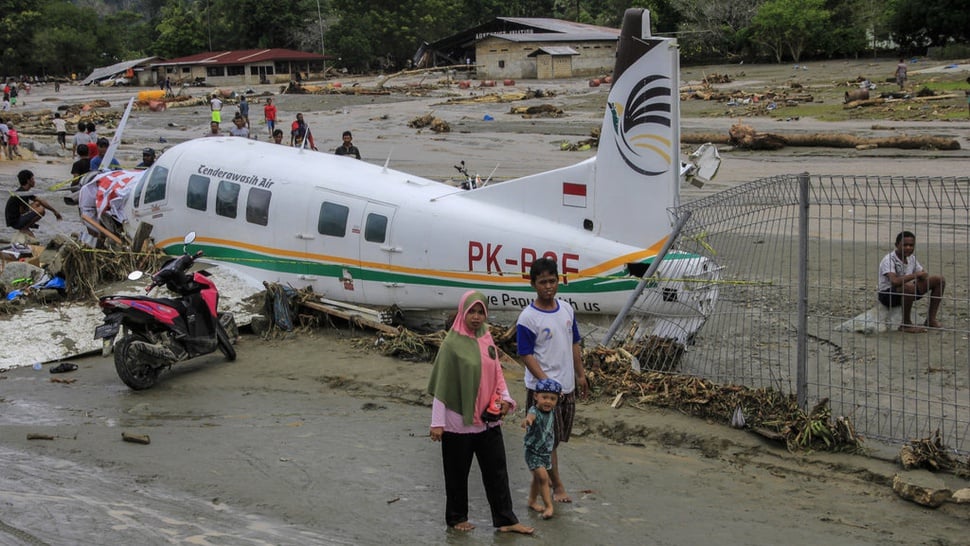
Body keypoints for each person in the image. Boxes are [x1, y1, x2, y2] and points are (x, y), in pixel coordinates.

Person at [427, 291, 533, 535]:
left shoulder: (487, 339)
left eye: (480, 312)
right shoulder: (452, 344)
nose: (476, 317)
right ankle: (456, 518)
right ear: (463, 312)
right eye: (471, 311)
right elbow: (442, 387)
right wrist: (437, 423)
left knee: (497, 472)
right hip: (457, 422)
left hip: (488, 421)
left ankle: (506, 519)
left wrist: (506, 399)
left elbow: (497, 374)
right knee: (456, 474)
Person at [516, 257, 589, 504]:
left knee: (556, 438)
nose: (548, 286)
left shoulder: (566, 309)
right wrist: (546, 383)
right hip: (543, 391)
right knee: (547, 441)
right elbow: (525, 354)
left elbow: (574, 343)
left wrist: (580, 375)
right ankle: (557, 487)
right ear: (533, 284)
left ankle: (539, 486)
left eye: (552, 281)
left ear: (559, 281)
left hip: (566, 387)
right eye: (542, 282)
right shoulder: (528, 317)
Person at [877, 230, 946, 333]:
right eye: (905, 245)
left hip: (907, 291)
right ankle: (906, 324)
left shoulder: (911, 258)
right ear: (897, 245)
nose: (908, 248)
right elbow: (894, 281)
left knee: (939, 280)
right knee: (908, 286)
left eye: (911, 245)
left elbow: (922, 273)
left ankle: (931, 320)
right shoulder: (889, 259)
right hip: (888, 295)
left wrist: (922, 277)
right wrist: (915, 275)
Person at [522, 378, 561, 520]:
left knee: (537, 479)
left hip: (546, 452)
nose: (548, 401)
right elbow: (530, 416)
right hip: (533, 451)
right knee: (544, 478)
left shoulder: (551, 411)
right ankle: (549, 506)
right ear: (535, 396)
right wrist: (528, 421)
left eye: (552, 399)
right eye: (544, 397)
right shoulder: (534, 410)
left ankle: (532, 501)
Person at [5, 169, 62, 238]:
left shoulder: (25, 191)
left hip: (17, 218)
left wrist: (54, 211)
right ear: (28, 181)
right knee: (41, 210)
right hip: (15, 222)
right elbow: (22, 211)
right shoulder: (22, 193)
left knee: (37, 203)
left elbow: (40, 200)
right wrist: (32, 210)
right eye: (33, 179)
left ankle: (27, 225)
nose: (34, 181)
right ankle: (24, 228)